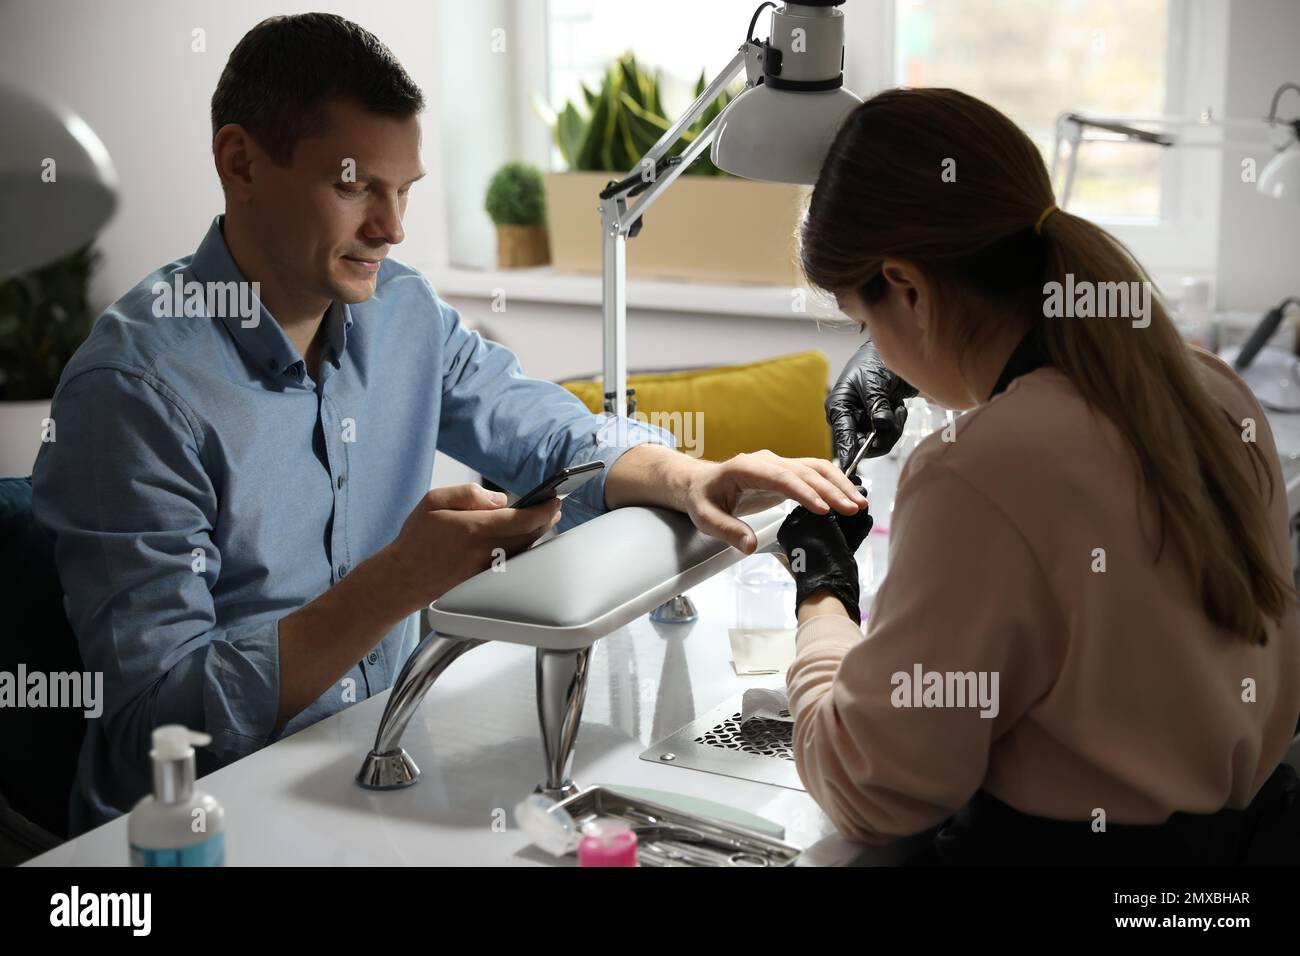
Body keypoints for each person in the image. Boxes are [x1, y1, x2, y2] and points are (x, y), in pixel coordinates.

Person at [30, 13, 867, 834]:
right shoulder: (132, 394)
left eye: (403, 192)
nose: (391, 229)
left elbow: (543, 431)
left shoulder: (403, 311)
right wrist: (394, 584)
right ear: (241, 162)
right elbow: (154, 729)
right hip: (204, 826)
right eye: (355, 185)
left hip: (372, 765)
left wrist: (687, 476)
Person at [777, 87, 1300, 864]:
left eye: (865, 321)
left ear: (909, 287)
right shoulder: (1214, 390)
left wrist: (821, 597)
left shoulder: (975, 474)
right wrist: (948, 370)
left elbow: (871, 789)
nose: (874, 348)